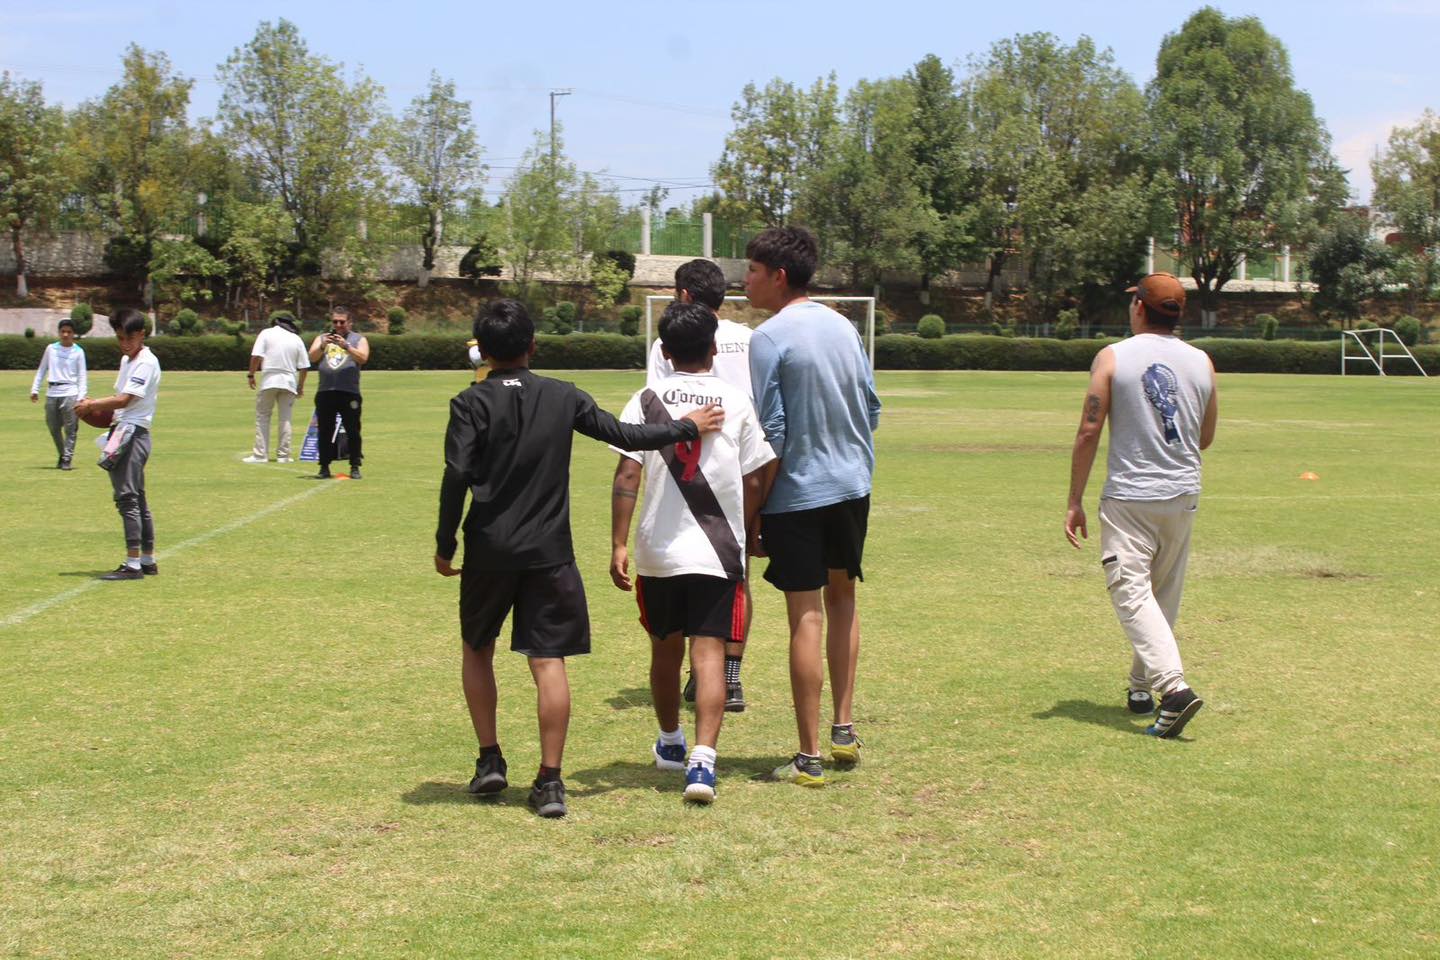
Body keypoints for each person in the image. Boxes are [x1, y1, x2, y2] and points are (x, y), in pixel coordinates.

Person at [434, 299, 724, 819]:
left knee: (478, 648)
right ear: (532, 346)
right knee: (548, 662)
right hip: (549, 553)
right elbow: (626, 436)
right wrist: (685, 427)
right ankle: (550, 781)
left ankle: (490, 758)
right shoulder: (562, 395)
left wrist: (445, 541)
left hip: (489, 549)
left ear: (483, 349)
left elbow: (456, 474)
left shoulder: (469, 403)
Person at [611, 301, 775, 804]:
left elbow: (628, 473)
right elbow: (759, 472)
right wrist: (749, 526)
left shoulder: (644, 399)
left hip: (658, 549)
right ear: (713, 349)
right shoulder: (735, 400)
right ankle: (703, 761)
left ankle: (669, 741)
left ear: (663, 349)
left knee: (664, 650)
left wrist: (618, 542)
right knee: (707, 654)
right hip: (718, 548)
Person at [745, 226, 882, 788]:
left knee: (805, 614)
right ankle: (843, 729)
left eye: (752, 270)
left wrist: (755, 510)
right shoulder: (844, 327)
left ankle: (807, 757)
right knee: (843, 600)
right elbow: (871, 406)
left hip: (797, 492)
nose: (745, 280)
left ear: (779, 276)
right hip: (852, 486)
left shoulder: (769, 338)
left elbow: (769, 431)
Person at [1065, 272, 1218, 739]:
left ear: (1138, 308)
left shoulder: (1113, 357)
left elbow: (1090, 429)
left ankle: (1172, 689)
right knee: (1162, 595)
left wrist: (1074, 500)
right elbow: (1205, 437)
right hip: (1183, 492)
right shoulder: (1202, 362)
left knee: (1131, 592)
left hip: (1131, 495)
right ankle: (1139, 687)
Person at [648, 259, 757, 713]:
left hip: (685, 471)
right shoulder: (752, 339)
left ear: (686, 295)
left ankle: (699, 671)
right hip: (741, 465)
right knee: (736, 572)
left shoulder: (665, 342)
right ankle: (729, 675)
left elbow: (658, 411)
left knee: (682, 569)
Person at [75, 309, 162, 581]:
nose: (124, 343)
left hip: (132, 434)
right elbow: (117, 403)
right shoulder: (128, 360)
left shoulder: (145, 362)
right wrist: (96, 410)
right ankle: (147, 560)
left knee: (127, 498)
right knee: (137, 497)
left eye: (129, 338)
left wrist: (91, 404)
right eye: (120, 338)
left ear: (141, 335)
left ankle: (133, 564)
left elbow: (124, 400)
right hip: (125, 429)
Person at [308, 305, 369, 479]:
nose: (338, 325)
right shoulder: (323, 338)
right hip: (326, 391)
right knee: (325, 430)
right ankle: (324, 466)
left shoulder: (358, 339)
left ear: (349, 322)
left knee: (352, 430)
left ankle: (355, 465)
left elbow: (363, 358)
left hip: (349, 392)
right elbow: (311, 357)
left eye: (342, 322)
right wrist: (322, 346)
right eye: (335, 321)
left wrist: (347, 346)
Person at [244, 313, 310, 463]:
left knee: (263, 417)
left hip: (269, 380)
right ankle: (284, 456)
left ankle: (260, 455)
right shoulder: (296, 338)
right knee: (285, 419)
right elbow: (304, 366)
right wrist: (300, 386)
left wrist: (251, 374)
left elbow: (256, 356)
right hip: (289, 382)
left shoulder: (266, 333)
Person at [29, 317, 88, 470]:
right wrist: (35, 389)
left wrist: (81, 397)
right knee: (53, 427)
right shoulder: (51, 349)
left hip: (70, 392)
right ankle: (62, 454)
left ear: (73, 333)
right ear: (59, 333)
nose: (66, 334)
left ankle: (67, 458)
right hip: (52, 392)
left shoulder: (78, 352)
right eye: (63, 331)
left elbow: (82, 376)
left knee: (71, 428)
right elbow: (42, 369)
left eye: (69, 332)